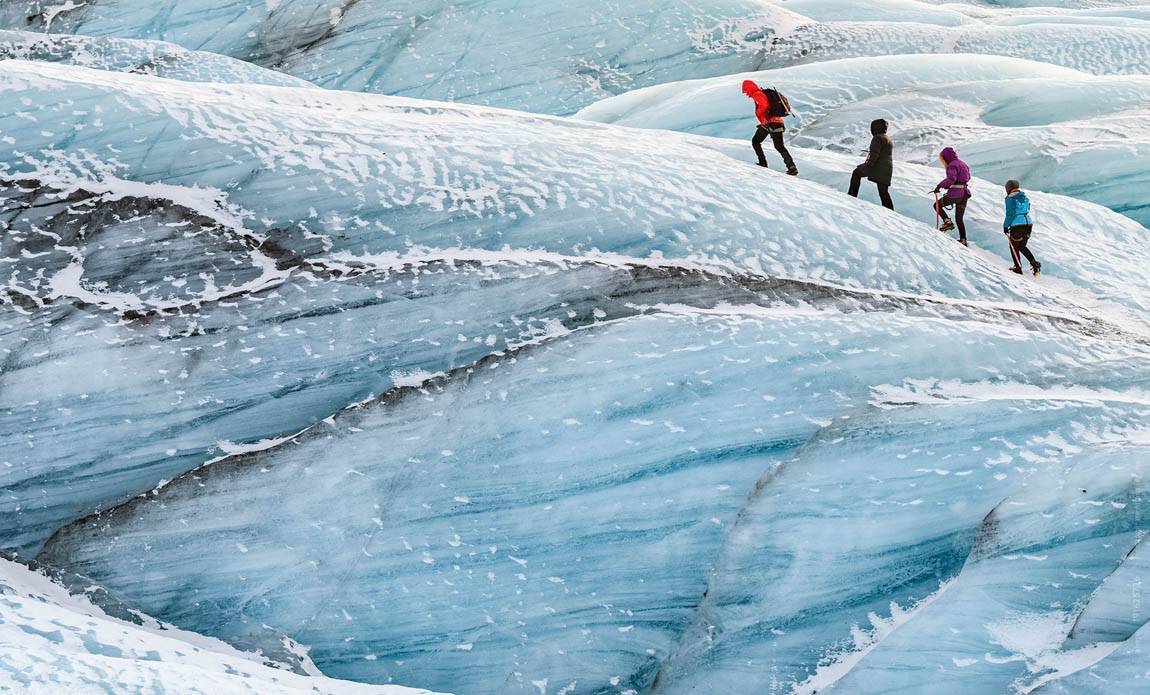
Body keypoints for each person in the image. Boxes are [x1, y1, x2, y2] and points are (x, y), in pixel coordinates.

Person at [742, 80, 798, 176]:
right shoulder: (763, 93)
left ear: (749, 88)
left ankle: (763, 163)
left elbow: (764, 105)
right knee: (779, 146)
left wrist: (758, 114)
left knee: (756, 141)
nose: (746, 93)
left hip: (769, 123)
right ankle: (792, 167)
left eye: (745, 91)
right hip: (777, 122)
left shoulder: (757, 94)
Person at [848, 119, 894, 210]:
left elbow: (874, 154)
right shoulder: (887, 138)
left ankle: (851, 197)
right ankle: (890, 210)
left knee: (856, 173)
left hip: (876, 167)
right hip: (887, 169)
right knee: (883, 191)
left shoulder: (877, 138)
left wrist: (867, 166)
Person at [931, 147, 972, 246]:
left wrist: (939, 186)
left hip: (955, 194)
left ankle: (947, 222)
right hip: (964, 194)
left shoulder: (951, 165)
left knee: (936, 205)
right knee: (959, 219)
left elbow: (951, 179)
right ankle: (963, 239)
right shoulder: (963, 164)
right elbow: (967, 177)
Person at [1003, 179, 1041, 276]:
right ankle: (1035, 264)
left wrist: (1006, 226)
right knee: (1022, 246)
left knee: (1013, 246)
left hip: (1017, 225)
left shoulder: (1010, 198)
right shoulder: (1025, 197)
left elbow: (1010, 214)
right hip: (1028, 224)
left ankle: (1018, 267)